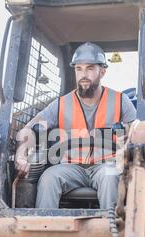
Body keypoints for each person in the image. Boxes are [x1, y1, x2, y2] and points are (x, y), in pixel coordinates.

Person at [15, 42, 136, 209]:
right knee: (49, 178)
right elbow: (28, 130)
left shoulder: (121, 101)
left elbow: (137, 133)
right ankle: (44, 230)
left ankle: (110, 231)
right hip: (70, 167)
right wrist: (21, 155)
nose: (83, 74)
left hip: (106, 165)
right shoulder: (61, 104)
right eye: (79, 69)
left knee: (111, 177)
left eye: (90, 68)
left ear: (102, 71)